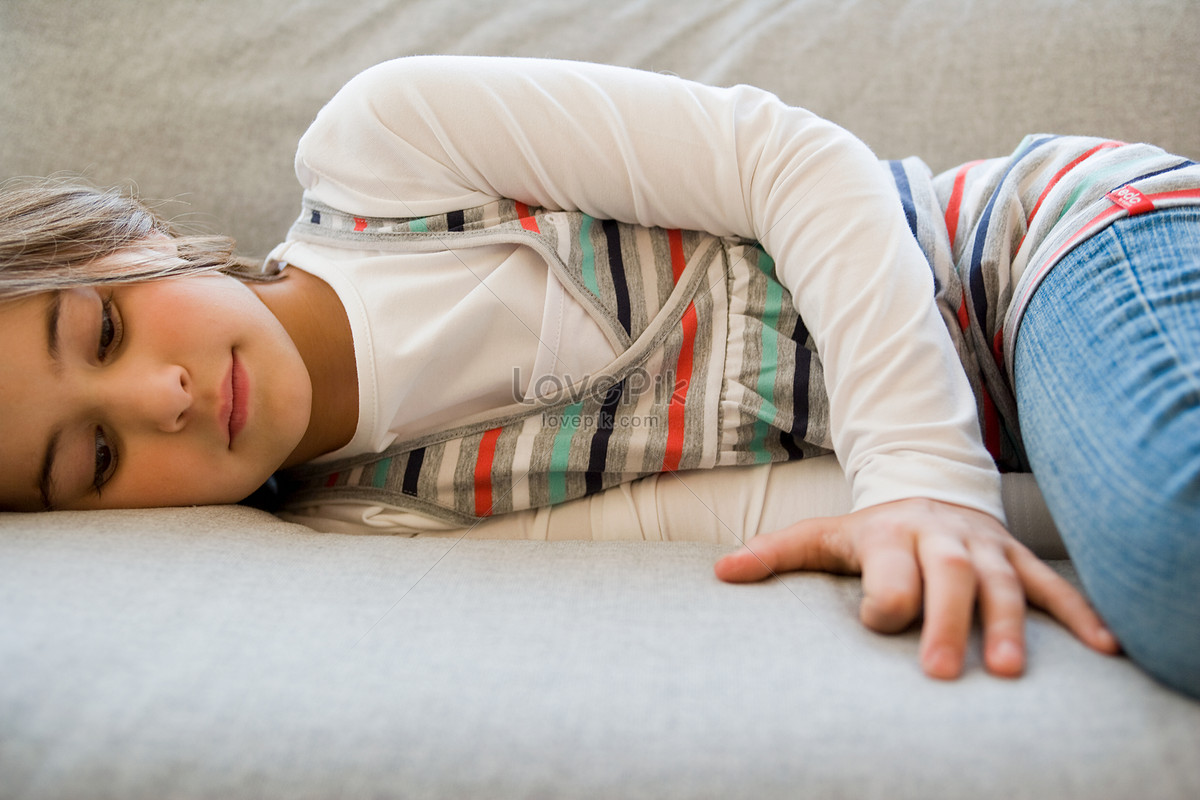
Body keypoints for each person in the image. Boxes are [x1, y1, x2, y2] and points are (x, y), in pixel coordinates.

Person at [1, 56, 1196, 697]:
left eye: (101, 330)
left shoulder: (389, 150)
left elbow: (794, 163)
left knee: (1170, 558)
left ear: (130, 240)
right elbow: (763, 509)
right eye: (95, 456)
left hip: (1037, 248)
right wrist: (989, 520)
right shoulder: (388, 517)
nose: (159, 397)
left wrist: (931, 475)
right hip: (1043, 430)